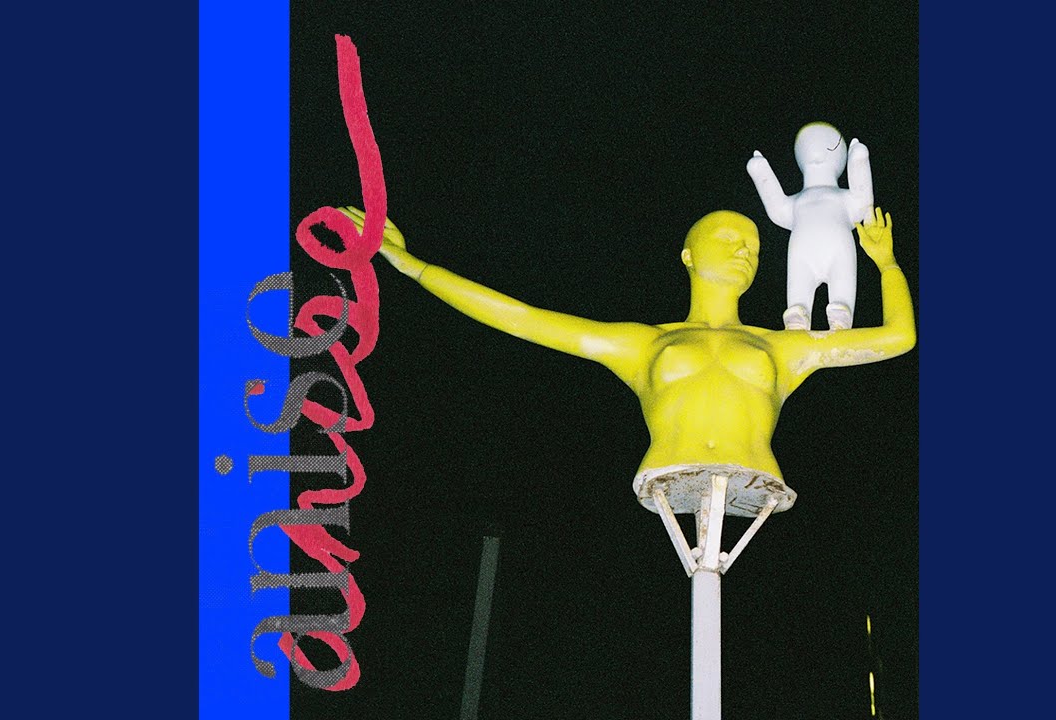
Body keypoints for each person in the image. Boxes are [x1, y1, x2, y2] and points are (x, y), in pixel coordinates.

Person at [341, 205, 914, 514]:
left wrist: (886, 264)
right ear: (688, 255)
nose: (745, 250)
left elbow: (897, 338)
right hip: (667, 476)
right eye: (728, 237)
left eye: (755, 247)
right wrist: (410, 265)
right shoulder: (644, 344)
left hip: (756, 483)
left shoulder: (782, 347)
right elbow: (521, 317)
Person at [746, 122, 874, 331]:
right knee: (799, 284)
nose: (816, 150)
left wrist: (859, 161)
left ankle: (842, 314)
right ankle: (798, 314)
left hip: (839, 252)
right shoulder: (797, 202)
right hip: (802, 256)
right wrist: (761, 174)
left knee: (842, 279)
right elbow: (778, 210)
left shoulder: (843, 198)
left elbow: (863, 203)